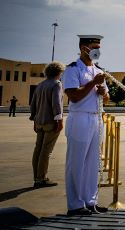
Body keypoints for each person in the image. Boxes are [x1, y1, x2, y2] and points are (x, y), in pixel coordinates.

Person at [62, 34, 109, 216]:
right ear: (84, 48)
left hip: (96, 117)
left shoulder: (98, 70)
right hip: (80, 118)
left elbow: (106, 98)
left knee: (92, 163)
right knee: (76, 162)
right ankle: (75, 204)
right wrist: (92, 84)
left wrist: (104, 92)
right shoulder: (72, 69)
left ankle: (91, 201)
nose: (98, 50)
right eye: (94, 46)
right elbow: (73, 96)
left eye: (99, 46)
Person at [29, 61, 65, 188]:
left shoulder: (40, 85)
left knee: (38, 149)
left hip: (39, 122)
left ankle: (36, 177)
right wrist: (59, 120)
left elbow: (33, 104)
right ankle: (41, 178)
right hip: (51, 122)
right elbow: (57, 103)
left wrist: (34, 119)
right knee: (46, 151)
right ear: (59, 72)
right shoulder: (57, 84)